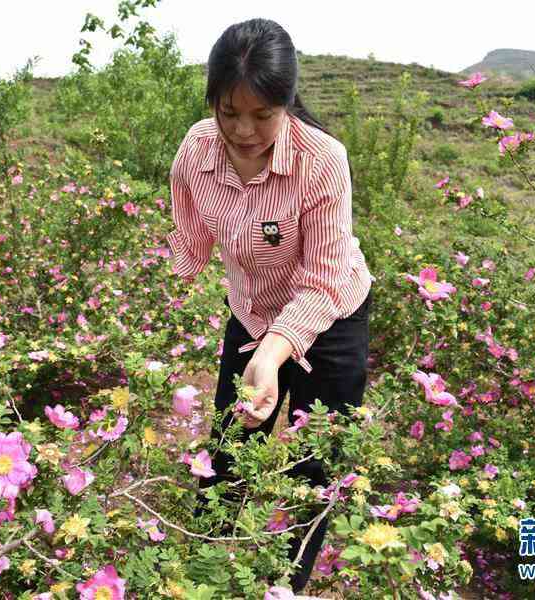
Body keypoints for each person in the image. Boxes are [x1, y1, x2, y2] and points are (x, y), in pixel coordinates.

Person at [165, 17, 374, 593]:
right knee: (231, 446)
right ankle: (206, 564)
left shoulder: (322, 160)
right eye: (228, 112)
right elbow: (189, 216)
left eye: (262, 115)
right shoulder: (197, 148)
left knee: (315, 458)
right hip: (252, 311)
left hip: (330, 317)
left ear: (286, 103)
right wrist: (179, 273)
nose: (243, 129)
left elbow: (324, 280)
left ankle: (287, 581)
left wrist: (274, 354)